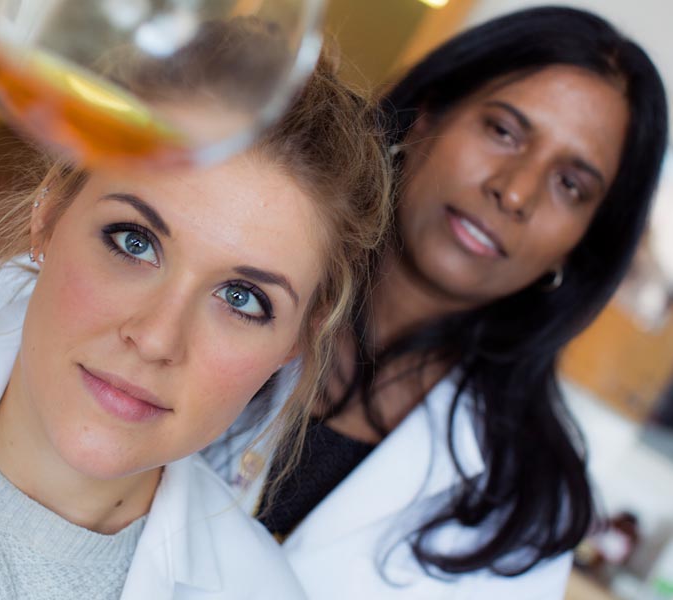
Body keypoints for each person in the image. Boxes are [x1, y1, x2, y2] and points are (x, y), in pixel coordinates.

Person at [0, 37, 391, 599]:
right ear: (49, 215)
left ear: (295, 345)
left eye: (241, 299)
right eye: (135, 241)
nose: (154, 339)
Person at [202, 6, 668, 599]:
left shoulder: (528, 515)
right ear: (425, 116)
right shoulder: (227, 266)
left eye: (570, 185)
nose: (516, 189)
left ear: (580, 245)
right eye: (503, 130)